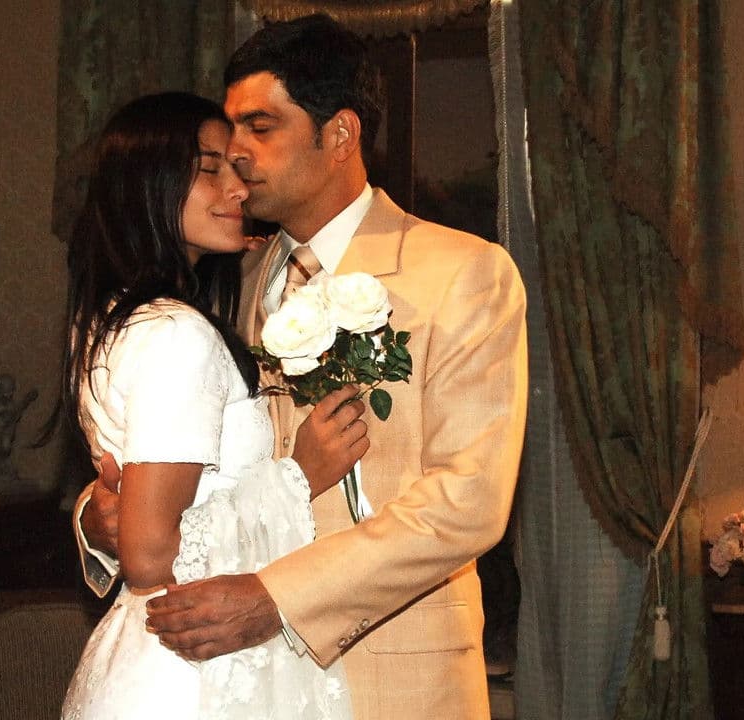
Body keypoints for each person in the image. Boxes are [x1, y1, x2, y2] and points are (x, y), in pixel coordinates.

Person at [76, 15, 528, 719]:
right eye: (229, 132)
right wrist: (99, 518)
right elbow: (170, 449)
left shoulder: (463, 273)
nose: (237, 153)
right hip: (235, 682)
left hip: (395, 681)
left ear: (339, 134)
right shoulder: (226, 281)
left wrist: (279, 598)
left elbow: (467, 501)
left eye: (260, 127)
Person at [58, 91, 368, 720]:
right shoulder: (175, 333)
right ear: (149, 184)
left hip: (159, 656)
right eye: (209, 169)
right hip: (188, 672)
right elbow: (149, 557)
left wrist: (101, 511)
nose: (238, 188)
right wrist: (299, 476)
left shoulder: (114, 318)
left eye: (237, 168)